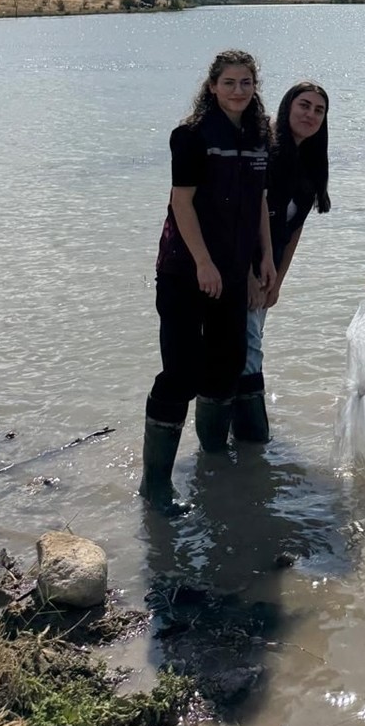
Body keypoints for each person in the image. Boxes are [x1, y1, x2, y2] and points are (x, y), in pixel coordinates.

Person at [139, 50, 276, 512]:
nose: (238, 90)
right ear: (212, 86)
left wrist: (266, 261)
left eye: (246, 82)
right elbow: (182, 202)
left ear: (254, 87)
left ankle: (213, 463)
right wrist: (203, 263)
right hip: (185, 271)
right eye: (229, 82)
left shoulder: (259, 137)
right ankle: (155, 484)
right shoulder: (191, 136)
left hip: (234, 272)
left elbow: (258, 202)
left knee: (226, 366)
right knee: (179, 373)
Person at [233, 81, 331, 443]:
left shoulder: (310, 163)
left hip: (267, 271)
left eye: (319, 110)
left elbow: (294, 229)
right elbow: (240, 218)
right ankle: (253, 439)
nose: (310, 115)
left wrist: (279, 280)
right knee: (247, 349)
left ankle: (242, 454)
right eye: (304, 105)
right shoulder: (266, 152)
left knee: (248, 345)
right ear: (288, 106)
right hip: (237, 266)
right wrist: (246, 276)